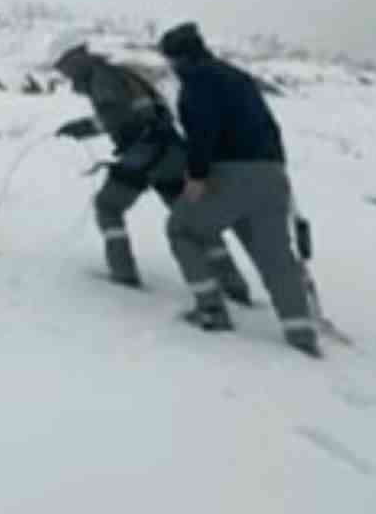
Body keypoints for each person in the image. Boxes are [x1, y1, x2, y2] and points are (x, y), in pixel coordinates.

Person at [157, 21, 319, 358]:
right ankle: (301, 332)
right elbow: (270, 127)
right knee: (275, 258)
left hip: (230, 172)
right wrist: (276, 171)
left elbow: (202, 131)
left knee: (182, 229)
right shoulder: (238, 77)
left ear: (178, 58)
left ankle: (211, 310)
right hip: (272, 174)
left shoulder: (197, 81)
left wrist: (197, 175)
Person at [49, 33, 251, 302]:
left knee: (108, 206)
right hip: (172, 152)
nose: (62, 73)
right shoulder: (118, 73)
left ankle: (123, 273)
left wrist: (83, 127)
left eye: (62, 66)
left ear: (74, 58)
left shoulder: (102, 78)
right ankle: (233, 284)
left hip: (145, 154)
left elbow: (117, 115)